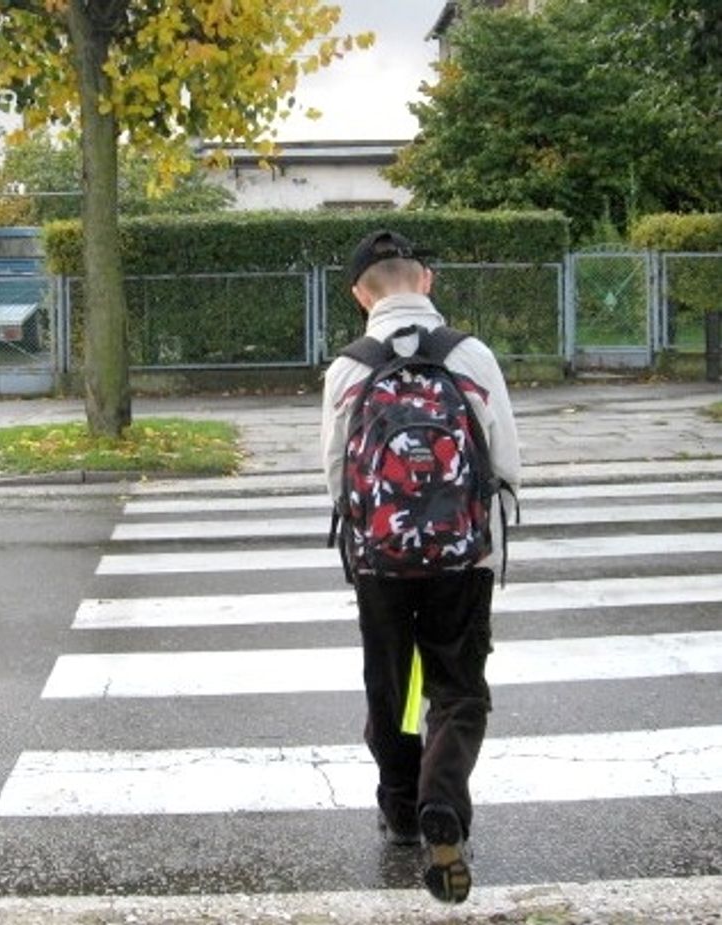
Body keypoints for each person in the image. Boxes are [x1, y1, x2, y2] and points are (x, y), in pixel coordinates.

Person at [321, 230, 520, 903]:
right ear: (426, 280)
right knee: (458, 686)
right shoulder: (471, 355)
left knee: (392, 684)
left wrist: (364, 543)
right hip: (463, 557)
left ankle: (402, 807)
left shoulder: (349, 368)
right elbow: (505, 457)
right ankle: (443, 800)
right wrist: (483, 540)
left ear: (359, 294)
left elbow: (334, 474)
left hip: (380, 559)